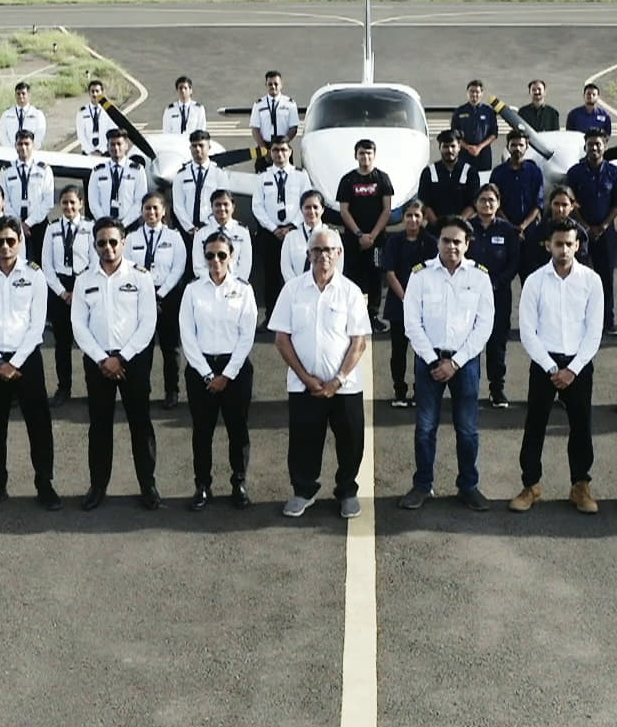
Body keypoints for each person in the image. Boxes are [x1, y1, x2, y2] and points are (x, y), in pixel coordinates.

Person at [270, 229, 371, 520]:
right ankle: (303, 491)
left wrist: (338, 379)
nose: (323, 256)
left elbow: (358, 342)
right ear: (308, 254)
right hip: (305, 386)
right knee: (303, 441)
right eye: (317, 250)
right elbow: (281, 338)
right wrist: (305, 377)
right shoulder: (292, 290)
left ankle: (347, 492)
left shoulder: (350, 291)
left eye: (329, 250)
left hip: (345, 386)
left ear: (339, 254)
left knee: (351, 442)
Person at [400, 217, 495, 511]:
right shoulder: (421, 275)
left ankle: (468, 486)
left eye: (457, 241)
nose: (451, 246)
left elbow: (485, 325)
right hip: (429, 361)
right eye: (446, 240)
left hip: (464, 362)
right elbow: (411, 323)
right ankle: (422, 485)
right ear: (437, 242)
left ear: (467, 244)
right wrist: (433, 360)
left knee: (467, 429)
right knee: (425, 427)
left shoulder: (479, 277)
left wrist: (454, 362)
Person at [511, 220, 605, 513]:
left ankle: (580, 486)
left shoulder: (592, 281)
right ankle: (531, 486)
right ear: (548, 245)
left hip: (578, 364)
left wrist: (572, 369)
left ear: (577, 245)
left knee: (581, 426)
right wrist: (553, 369)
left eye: (569, 244)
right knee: (535, 425)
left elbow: (594, 331)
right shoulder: (535, 281)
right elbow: (527, 331)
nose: (563, 249)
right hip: (544, 364)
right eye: (558, 243)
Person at [0, 215, 58, 510]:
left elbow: (37, 324)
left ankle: (44, 484)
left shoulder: (34, 275)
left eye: (10, 241)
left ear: (20, 241)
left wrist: (15, 362)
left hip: (26, 359)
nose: (5, 247)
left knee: (39, 424)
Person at [73, 217, 162, 510]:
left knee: (141, 423)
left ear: (123, 242)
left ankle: (148, 485)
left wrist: (122, 357)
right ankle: (98, 486)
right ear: (95, 245)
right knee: (99, 426)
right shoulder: (84, 279)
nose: (108, 248)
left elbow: (148, 322)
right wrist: (103, 359)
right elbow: (79, 325)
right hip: (98, 362)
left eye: (113, 241)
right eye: (102, 242)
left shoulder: (140, 276)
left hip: (132, 361)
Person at [180, 231, 259, 510]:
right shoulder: (192, 290)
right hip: (201, 369)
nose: (215, 260)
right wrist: (207, 375)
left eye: (221, 255)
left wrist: (227, 374)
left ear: (231, 257)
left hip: (234, 369)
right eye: (210, 255)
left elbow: (247, 335)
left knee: (238, 429)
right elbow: (187, 335)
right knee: (202, 431)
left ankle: (239, 482)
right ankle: (202, 485)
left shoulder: (244, 289)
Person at [125, 192, 189, 408]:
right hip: (140, 297)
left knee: (170, 348)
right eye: (147, 208)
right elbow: (128, 268)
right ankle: (141, 389)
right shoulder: (132, 238)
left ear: (163, 211)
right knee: (142, 348)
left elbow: (178, 268)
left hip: (167, 297)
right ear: (141, 211)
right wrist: (146, 294)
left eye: (155, 208)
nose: (151, 212)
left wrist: (160, 294)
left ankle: (172, 391)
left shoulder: (174, 237)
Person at [565, 130, 617, 334]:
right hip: (580, 232)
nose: (594, 148)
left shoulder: (614, 173)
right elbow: (570, 201)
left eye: (598, 144)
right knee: (579, 277)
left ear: (605, 146)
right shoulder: (574, 172)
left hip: (605, 231)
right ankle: (580, 321)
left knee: (605, 276)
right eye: (590, 144)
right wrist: (584, 225)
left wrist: (604, 226)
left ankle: (608, 320)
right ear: (585, 146)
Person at [467, 184, 522, 409]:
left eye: (491, 200)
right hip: (470, 296)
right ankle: (468, 389)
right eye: (482, 200)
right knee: (469, 342)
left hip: (499, 294)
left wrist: (496, 282)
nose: (487, 204)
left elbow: (514, 262)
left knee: (497, 343)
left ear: (498, 203)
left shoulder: (508, 231)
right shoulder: (467, 228)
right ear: (476, 204)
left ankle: (496, 389)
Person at [380, 201, 437, 408]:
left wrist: (417, 301)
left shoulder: (431, 243)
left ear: (424, 218)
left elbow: (434, 274)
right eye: (409, 216)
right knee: (398, 351)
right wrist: (406, 298)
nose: (413, 220)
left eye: (417, 216)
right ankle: (399, 391)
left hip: (425, 306)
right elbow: (390, 272)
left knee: (422, 350)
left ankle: (420, 391)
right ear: (403, 218)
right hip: (399, 304)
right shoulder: (394, 241)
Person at [42, 185, 95, 407]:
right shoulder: (52, 229)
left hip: (83, 285)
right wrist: (63, 292)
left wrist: (78, 291)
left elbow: (95, 261)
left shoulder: (90, 228)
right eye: (64, 202)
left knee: (88, 341)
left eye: (73, 202)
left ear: (81, 204)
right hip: (60, 289)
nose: (69, 206)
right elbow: (46, 264)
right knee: (62, 343)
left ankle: (94, 387)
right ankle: (64, 387)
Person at [334, 139, 393, 326]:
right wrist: (359, 234)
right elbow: (344, 210)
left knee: (376, 275)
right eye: (361, 153)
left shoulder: (382, 179)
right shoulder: (347, 180)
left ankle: (373, 315)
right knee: (352, 275)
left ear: (374, 156)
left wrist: (372, 236)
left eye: (369, 153)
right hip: (354, 239)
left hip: (377, 239)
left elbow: (387, 210)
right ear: (355, 155)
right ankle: (352, 314)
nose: (365, 157)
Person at [253, 138, 313, 309]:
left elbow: (307, 203)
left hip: (294, 232)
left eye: (283, 150)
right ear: (270, 153)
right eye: (275, 150)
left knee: (295, 272)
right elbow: (257, 206)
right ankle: (271, 314)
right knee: (270, 275)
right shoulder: (262, 177)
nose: (279, 154)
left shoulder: (301, 176)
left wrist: (292, 226)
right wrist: (274, 229)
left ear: (290, 152)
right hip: (270, 234)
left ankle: (296, 309)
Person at [0, 128, 54, 265]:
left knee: (41, 263)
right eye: (20, 144)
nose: (23, 147)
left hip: (38, 225)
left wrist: (28, 223)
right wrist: (19, 223)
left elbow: (48, 201)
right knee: (14, 262)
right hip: (13, 225)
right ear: (15, 146)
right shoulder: (6, 170)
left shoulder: (44, 169)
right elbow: (3, 200)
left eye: (27, 144)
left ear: (33, 145)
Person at [88, 128, 150, 230]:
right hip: (104, 226)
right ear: (107, 147)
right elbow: (93, 202)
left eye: (119, 144)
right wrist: (106, 223)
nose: (116, 148)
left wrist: (123, 224)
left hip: (130, 225)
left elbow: (140, 201)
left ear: (126, 146)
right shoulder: (98, 171)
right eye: (112, 144)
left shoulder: (137, 170)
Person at [522, 187, 591, 276]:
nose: (560, 209)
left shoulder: (579, 233)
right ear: (550, 204)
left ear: (572, 207)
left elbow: (582, 263)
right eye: (556, 204)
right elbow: (531, 261)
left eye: (564, 205)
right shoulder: (539, 231)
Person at [173, 129, 229, 239]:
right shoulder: (181, 175)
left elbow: (223, 203)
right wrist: (189, 227)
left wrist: (210, 226)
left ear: (209, 147)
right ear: (190, 148)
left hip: (212, 229)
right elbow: (178, 205)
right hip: (187, 231)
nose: (197, 149)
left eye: (201, 145)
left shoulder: (219, 174)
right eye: (194, 146)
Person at [417, 129, 479, 226]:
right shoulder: (428, 172)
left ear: (459, 147)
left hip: (462, 227)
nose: (449, 150)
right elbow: (424, 202)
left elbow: (474, 203)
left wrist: (458, 223)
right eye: (445, 146)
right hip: (435, 228)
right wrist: (437, 224)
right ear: (440, 148)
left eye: (453, 146)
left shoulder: (470, 172)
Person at [192, 189, 254, 283]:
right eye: (217, 205)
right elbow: (198, 265)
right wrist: (214, 282)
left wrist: (231, 284)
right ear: (211, 207)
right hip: (207, 285)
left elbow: (245, 265)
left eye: (226, 204)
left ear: (233, 207)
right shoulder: (201, 232)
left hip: (234, 286)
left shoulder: (242, 231)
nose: (222, 208)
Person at [279, 190, 341, 285]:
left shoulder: (332, 236)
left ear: (323, 209)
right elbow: (285, 267)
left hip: (324, 290)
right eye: (307, 207)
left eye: (315, 207)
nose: (312, 211)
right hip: (296, 291)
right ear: (301, 209)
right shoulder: (291, 237)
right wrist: (297, 287)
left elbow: (338, 265)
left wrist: (323, 286)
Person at [491, 128, 545, 232]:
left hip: (530, 229)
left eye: (521, 145)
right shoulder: (498, 173)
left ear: (527, 147)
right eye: (513, 145)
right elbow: (495, 202)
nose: (517, 149)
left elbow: (539, 203)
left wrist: (523, 226)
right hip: (504, 227)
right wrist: (510, 226)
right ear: (507, 147)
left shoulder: (534, 171)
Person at [451, 79, 500, 171]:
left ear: (482, 93)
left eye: (477, 92)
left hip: (483, 154)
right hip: (464, 154)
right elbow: (454, 134)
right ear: (467, 93)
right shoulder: (459, 111)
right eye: (471, 91)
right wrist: (467, 147)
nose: (474, 94)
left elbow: (494, 134)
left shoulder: (489, 111)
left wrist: (479, 147)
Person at [250, 69, 299, 160]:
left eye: (276, 84)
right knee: (262, 174)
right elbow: (255, 129)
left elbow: (293, 128)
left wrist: (282, 146)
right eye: (270, 84)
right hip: (264, 147)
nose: (273, 86)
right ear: (266, 85)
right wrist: (265, 150)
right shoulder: (258, 104)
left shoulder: (290, 104)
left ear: (281, 85)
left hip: (283, 148)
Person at [0, 80, 46, 149]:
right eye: (18, 93)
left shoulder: (37, 114)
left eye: (23, 93)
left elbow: (40, 134)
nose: (20, 96)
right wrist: (11, 149)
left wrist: (29, 149)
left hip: (31, 152)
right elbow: (2, 135)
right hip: (11, 152)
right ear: (15, 95)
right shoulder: (6, 114)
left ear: (29, 95)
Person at [76, 79, 117, 156]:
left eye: (97, 91)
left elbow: (112, 133)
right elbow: (81, 134)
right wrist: (90, 152)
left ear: (102, 93)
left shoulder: (109, 112)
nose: (95, 94)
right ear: (89, 93)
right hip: (87, 153)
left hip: (105, 152)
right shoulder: (82, 112)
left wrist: (101, 150)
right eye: (92, 91)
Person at [161, 75, 206, 140]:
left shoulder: (198, 109)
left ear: (190, 90)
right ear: (177, 90)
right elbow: (166, 131)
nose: (183, 91)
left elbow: (201, 130)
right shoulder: (170, 110)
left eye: (185, 88)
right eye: (180, 88)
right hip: (175, 144)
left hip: (192, 144)